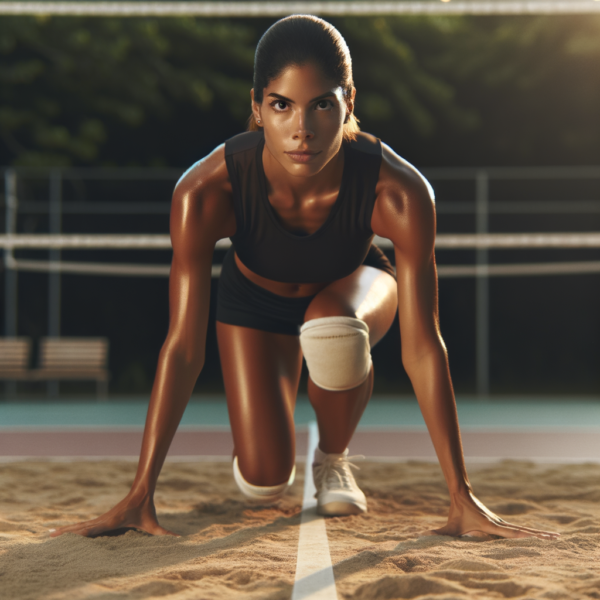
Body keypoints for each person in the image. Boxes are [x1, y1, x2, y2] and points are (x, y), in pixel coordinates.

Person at [51, 15, 558, 540]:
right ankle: (262, 436)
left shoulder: (398, 191)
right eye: (281, 105)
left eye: (322, 104)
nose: (302, 129)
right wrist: (140, 493)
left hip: (354, 285)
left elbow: (424, 345)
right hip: (254, 302)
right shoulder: (205, 192)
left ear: (349, 102)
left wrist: (461, 495)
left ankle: (332, 457)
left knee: (333, 331)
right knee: (262, 480)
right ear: (256, 105)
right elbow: (181, 347)